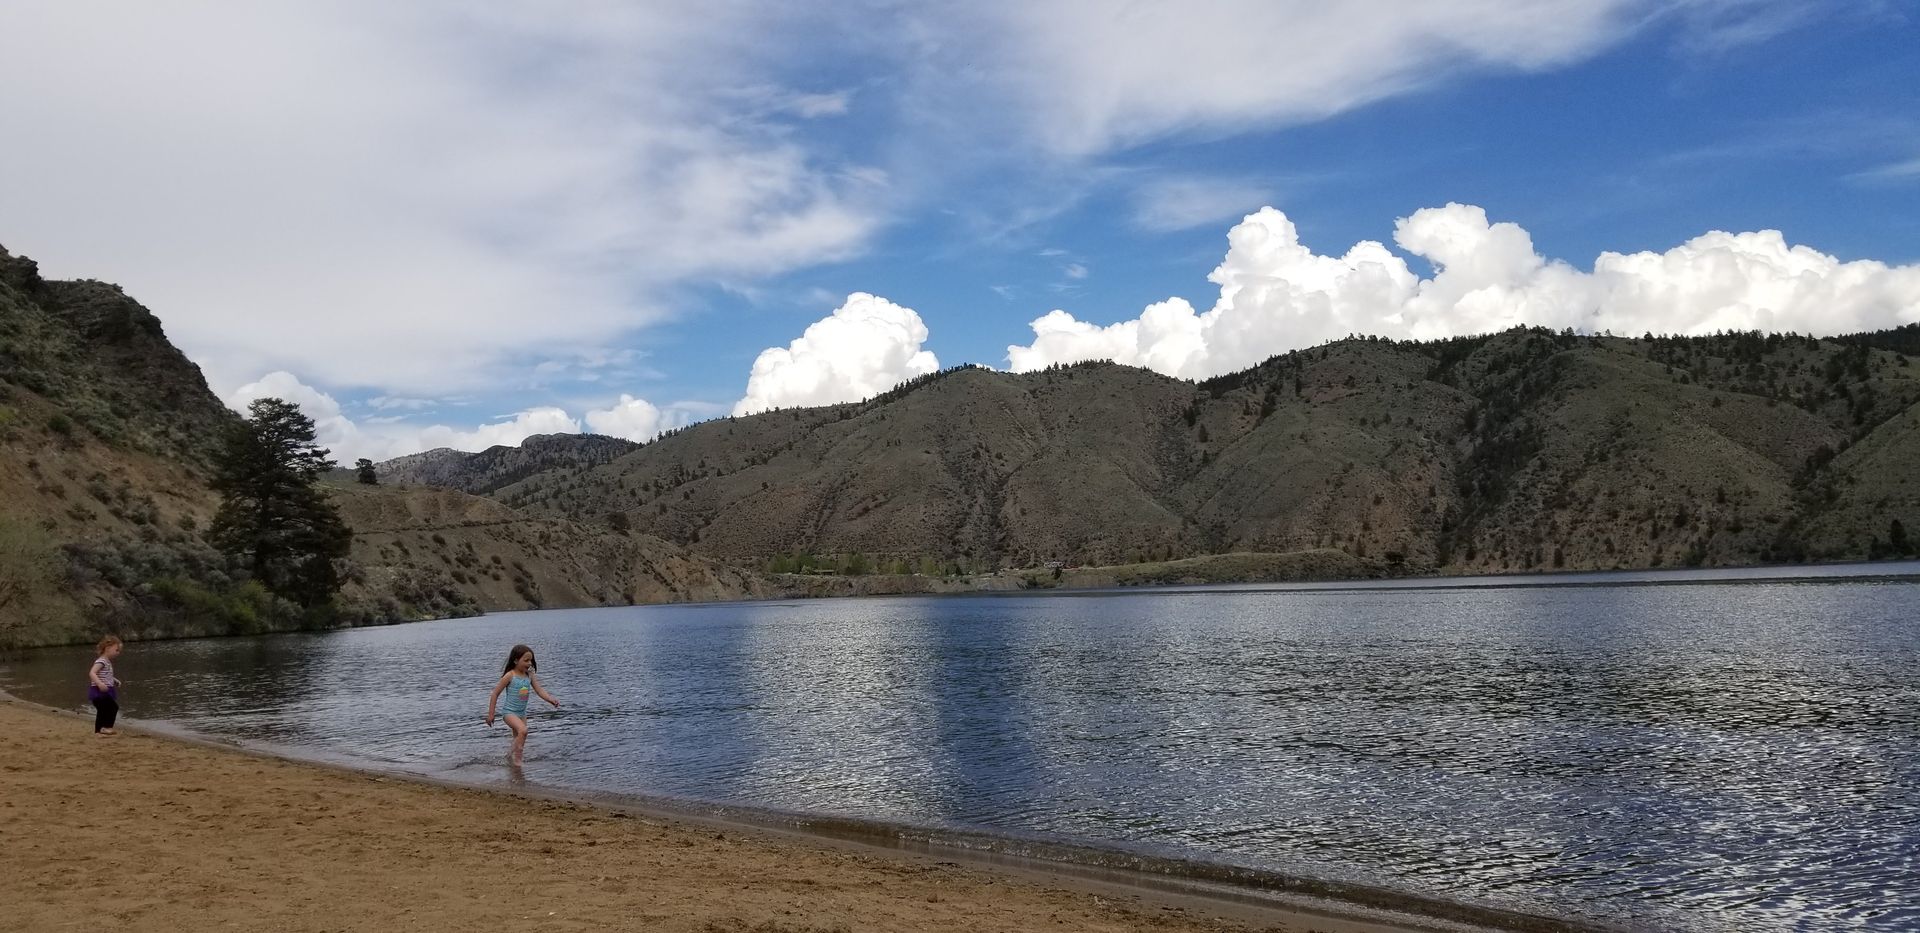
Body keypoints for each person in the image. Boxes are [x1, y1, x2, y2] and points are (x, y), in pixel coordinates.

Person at [485, 644, 559, 765]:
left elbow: (539, 691)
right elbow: (495, 694)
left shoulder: (529, 675)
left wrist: (550, 699)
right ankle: (517, 762)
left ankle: (511, 759)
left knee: (520, 738)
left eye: (531, 660)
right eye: (526, 660)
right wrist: (491, 715)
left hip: (522, 714)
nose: (529, 663)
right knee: (523, 731)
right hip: (509, 713)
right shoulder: (510, 676)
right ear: (515, 660)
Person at [87, 635, 123, 736]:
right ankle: (106, 728)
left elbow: (107, 675)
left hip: (105, 690)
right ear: (107, 649)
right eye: (116, 650)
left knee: (104, 710)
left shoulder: (107, 662)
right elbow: (92, 673)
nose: (118, 653)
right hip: (99, 691)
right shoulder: (101, 661)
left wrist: (114, 680)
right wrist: (99, 683)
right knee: (112, 707)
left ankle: (99, 731)